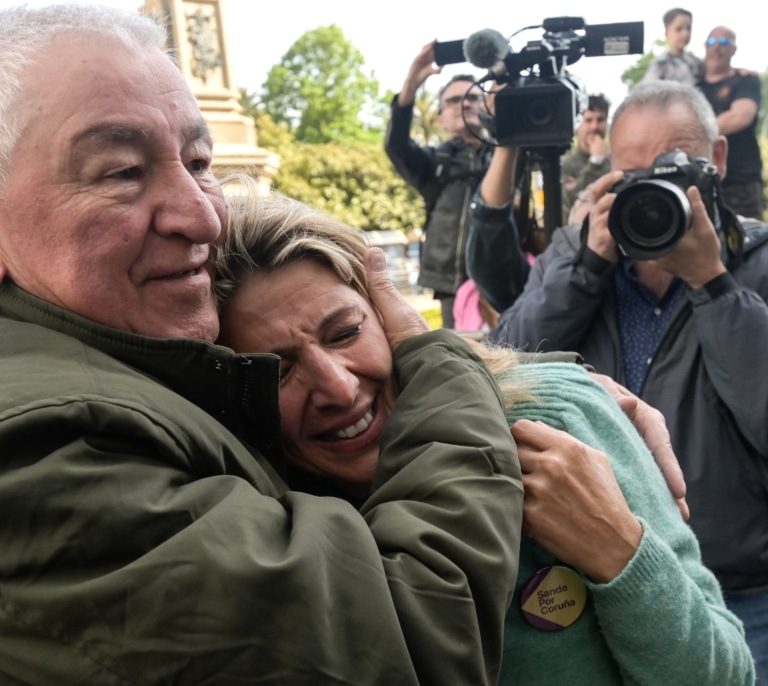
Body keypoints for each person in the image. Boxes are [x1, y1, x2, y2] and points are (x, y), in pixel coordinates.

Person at [0, 5, 528, 684]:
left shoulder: (109, 361)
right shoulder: (37, 448)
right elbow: (410, 635)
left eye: (199, 160)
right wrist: (450, 376)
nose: (200, 214)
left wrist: (542, 391)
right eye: (122, 172)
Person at [213, 178, 754, 685]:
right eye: (277, 369)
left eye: (346, 332)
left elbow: (726, 674)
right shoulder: (263, 531)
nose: (336, 385)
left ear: (388, 314)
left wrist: (621, 553)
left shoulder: (558, 418)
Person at [471, 79, 768, 684]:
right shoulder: (577, 255)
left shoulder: (758, 261)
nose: (654, 191)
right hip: (602, 579)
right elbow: (505, 369)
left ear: (717, 160)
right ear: (608, 173)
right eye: (635, 175)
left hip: (748, 587)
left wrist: (712, 283)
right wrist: (586, 267)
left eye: (673, 167)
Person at [385, 40, 493, 328]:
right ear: (441, 118)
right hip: (452, 284)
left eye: (472, 98)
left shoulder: (507, 156)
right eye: (453, 101)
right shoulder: (433, 162)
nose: (464, 104)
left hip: (501, 282)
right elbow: (397, 146)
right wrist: (411, 84)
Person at [699, 26, 764, 219]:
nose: (717, 47)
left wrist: (695, 132)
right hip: (701, 181)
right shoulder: (693, 84)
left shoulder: (745, 81)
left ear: (734, 49)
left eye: (725, 42)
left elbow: (741, 117)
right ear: (705, 47)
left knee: (748, 242)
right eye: (712, 42)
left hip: (740, 182)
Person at [560, 94, 612, 224]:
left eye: (600, 120)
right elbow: (571, 200)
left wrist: (579, 181)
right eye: (588, 120)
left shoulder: (616, 160)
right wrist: (596, 161)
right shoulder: (567, 165)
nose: (594, 127)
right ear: (578, 125)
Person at [642, 8, 703, 86]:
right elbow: (648, 89)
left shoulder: (696, 63)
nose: (685, 33)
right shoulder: (661, 63)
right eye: (679, 29)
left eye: (688, 28)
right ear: (667, 34)